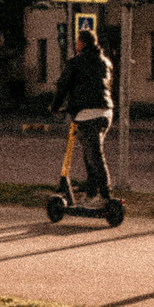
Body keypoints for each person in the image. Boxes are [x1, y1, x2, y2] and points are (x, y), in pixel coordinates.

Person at [49, 26, 114, 201]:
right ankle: (91, 192)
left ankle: (106, 195)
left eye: (77, 41)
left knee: (95, 155)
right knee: (90, 153)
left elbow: (62, 86)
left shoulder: (75, 63)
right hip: (106, 112)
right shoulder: (105, 62)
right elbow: (106, 86)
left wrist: (55, 107)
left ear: (82, 43)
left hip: (87, 114)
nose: (75, 44)